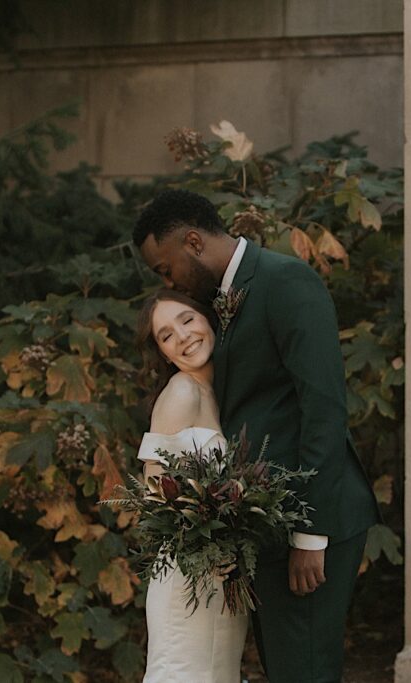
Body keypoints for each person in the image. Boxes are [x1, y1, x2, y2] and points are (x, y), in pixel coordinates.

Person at [133, 189, 380, 683]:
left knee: (303, 671)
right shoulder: (219, 300)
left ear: (194, 242)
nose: (169, 283)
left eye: (166, 269)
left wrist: (311, 536)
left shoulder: (286, 282)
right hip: (264, 531)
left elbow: (324, 410)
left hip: (309, 523)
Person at [134, 288, 247, 682]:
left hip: (222, 577)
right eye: (166, 335)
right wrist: (204, 545)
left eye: (186, 320)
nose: (182, 337)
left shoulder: (216, 395)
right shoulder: (181, 391)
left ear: (208, 319)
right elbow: (153, 489)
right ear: (163, 353)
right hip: (187, 578)